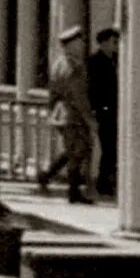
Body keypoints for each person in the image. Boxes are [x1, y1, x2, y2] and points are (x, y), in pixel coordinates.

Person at [42, 25, 98, 205]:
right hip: (73, 115)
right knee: (79, 151)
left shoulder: (58, 63)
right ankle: (72, 191)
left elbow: (53, 91)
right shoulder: (75, 66)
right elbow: (79, 96)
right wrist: (90, 119)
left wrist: (51, 111)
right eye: (79, 41)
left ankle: (47, 176)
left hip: (62, 113)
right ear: (71, 44)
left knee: (71, 150)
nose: (81, 44)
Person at [89, 26, 122, 196]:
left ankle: (107, 180)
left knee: (113, 148)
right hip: (103, 111)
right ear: (104, 43)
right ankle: (103, 182)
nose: (117, 46)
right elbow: (93, 88)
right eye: (114, 42)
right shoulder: (95, 61)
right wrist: (95, 109)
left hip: (115, 111)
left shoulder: (116, 60)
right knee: (108, 147)